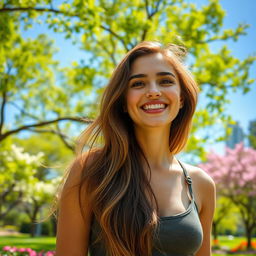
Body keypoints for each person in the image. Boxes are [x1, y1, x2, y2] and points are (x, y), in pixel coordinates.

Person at [55, 41, 216, 256]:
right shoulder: (91, 170)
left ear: (182, 98)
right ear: (123, 101)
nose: (153, 91)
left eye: (165, 81)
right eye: (138, 84)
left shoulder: (201, 184)